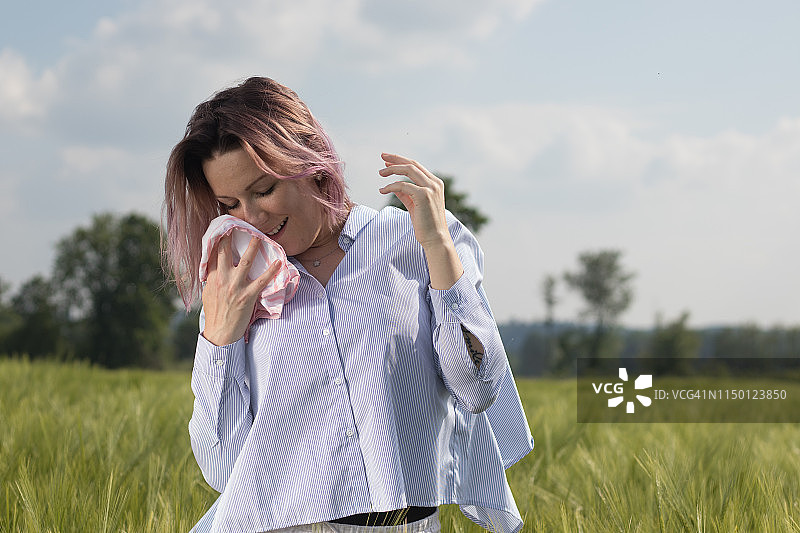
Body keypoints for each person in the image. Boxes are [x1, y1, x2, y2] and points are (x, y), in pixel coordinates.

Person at [163, 77, 534, 533]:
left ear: (311, 164)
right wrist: (217, 341)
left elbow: (477, 388)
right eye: (230, 203)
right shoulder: (237, 280)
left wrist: (436, 243)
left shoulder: (416, 242)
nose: (252, 218)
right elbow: (221, 466)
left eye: (263, 191)